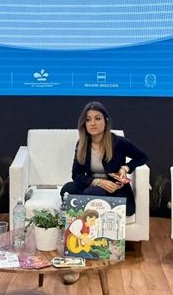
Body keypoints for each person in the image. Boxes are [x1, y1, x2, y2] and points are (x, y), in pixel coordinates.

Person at [60, 101, 148, 284]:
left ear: (106, 121)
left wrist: (126, 167)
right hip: (93, 186)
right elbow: (76, 175)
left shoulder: (118, 142)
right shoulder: (82, 143)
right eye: (88, 120)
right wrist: (98, 181)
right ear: (84, 124)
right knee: (68, 189)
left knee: (89, 193)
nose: (93, 123)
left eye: (97, 118)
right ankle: (80, 243)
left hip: (117, 192)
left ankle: (78, 260)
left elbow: (142, 157)